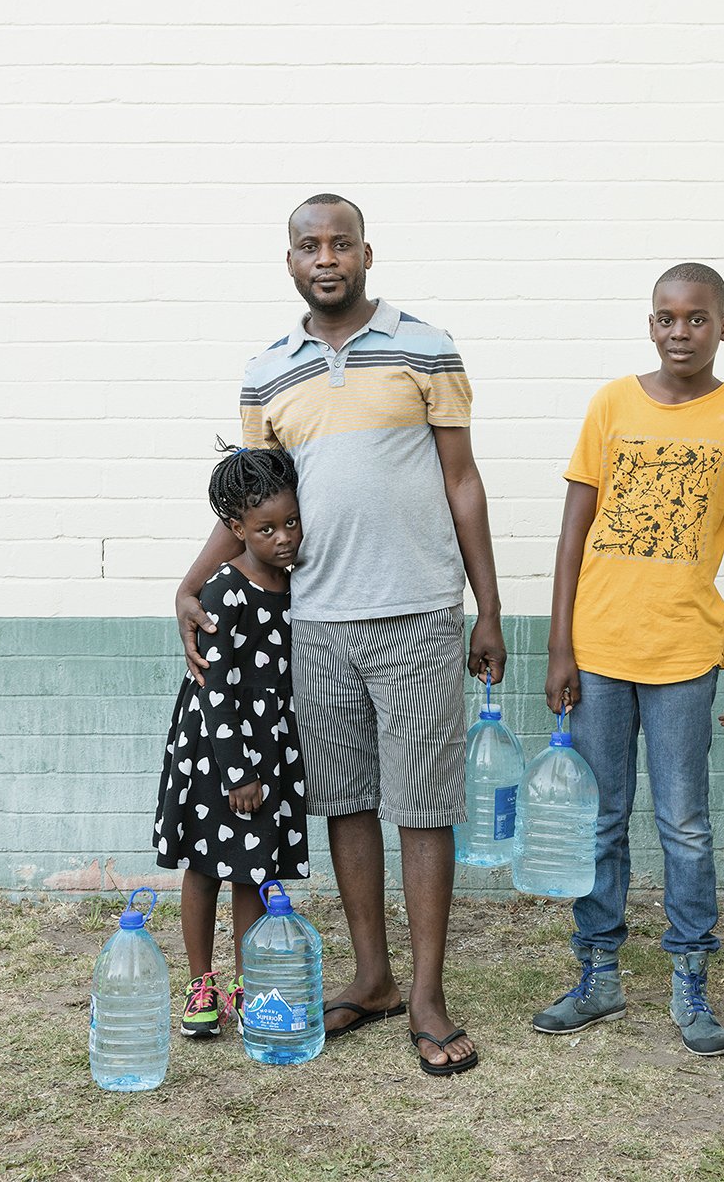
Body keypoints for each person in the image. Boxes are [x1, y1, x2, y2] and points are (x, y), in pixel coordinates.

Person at [175, 193, 504, 1077]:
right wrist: (191, 582)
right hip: (311, 625)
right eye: (308, 245)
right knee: (348, 802)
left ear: (367, 253)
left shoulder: (425, 344)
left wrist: (489, 607)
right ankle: (374, 977)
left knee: (422, 807)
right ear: (289, 261)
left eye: (341, 243)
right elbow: (246, 501)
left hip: (416, 614)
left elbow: (463, 481)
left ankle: (428, 996)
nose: (326, 257)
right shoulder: (267, 373)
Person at [530, 262, 724, 1058]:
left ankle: (689, 980)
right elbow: (574, 530)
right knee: (601, 820)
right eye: (667, 318)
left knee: (685, 825)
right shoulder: (612, 404)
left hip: (685, 653)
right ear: (650, 324)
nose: (681, 332)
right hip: (599, 650)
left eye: (698, 319)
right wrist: (560, 641)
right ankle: (598, 975)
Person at [152, 443, 312, 1039]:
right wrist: (236, 771)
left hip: (267, 744)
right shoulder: (225, 591)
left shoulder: (298, 587)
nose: (283, 537)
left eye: (291, 522)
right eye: (265, 528)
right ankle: (202, 981)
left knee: (254, 868)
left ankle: (251, 987)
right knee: (205, 864)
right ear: (236, 529)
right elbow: (214, 689)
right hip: (217, 749)